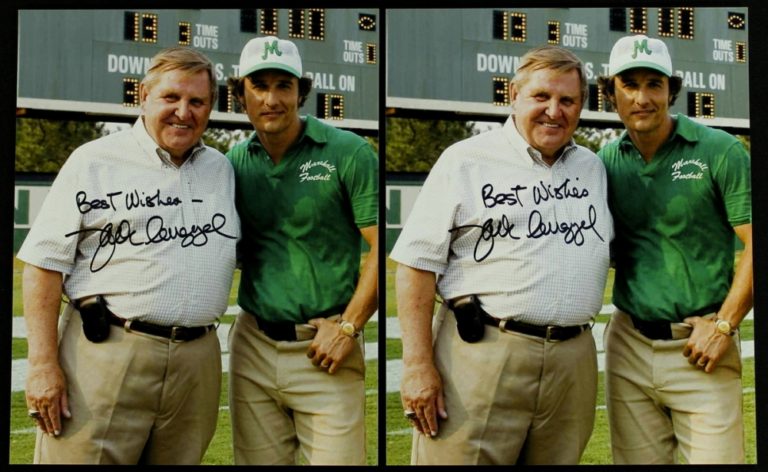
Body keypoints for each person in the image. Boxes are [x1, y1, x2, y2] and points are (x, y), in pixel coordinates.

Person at [390, 45, 614, 465]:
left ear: (581, 106)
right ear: (514, 95)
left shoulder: (592, 167)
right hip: (482, 352)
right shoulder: (466, 160)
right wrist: (417, 365)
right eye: (541, 97)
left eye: (567, 100)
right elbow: (416, 265)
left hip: (573, 361)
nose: (554, 111)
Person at [17, 47, 240, 464]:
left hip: (198, 361)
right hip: (107, 352)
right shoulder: (95, 161)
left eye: (197, 102)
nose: (183, 112)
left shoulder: (222, 169)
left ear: (211, 106)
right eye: (171, 98)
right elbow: (44, 264)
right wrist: (42, 365)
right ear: (144, 96)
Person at [597, 34, 752, 464]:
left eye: (654, 84)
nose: (642, 97)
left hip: (701, 345)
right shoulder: (604, 162)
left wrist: (723, 326)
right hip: (627, 345)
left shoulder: (719, 150)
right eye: (629, 84)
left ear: (672, 90)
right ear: (611, 93)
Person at [225, 36, 378, 465]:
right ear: (241, 94)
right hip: (252, 345)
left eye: (283, 85)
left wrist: (347, 328)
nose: (271, 98)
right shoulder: (232, 163)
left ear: (300, 92)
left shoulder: (349, 152)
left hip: (326, 346)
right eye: (259, 86)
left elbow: (383, 252)